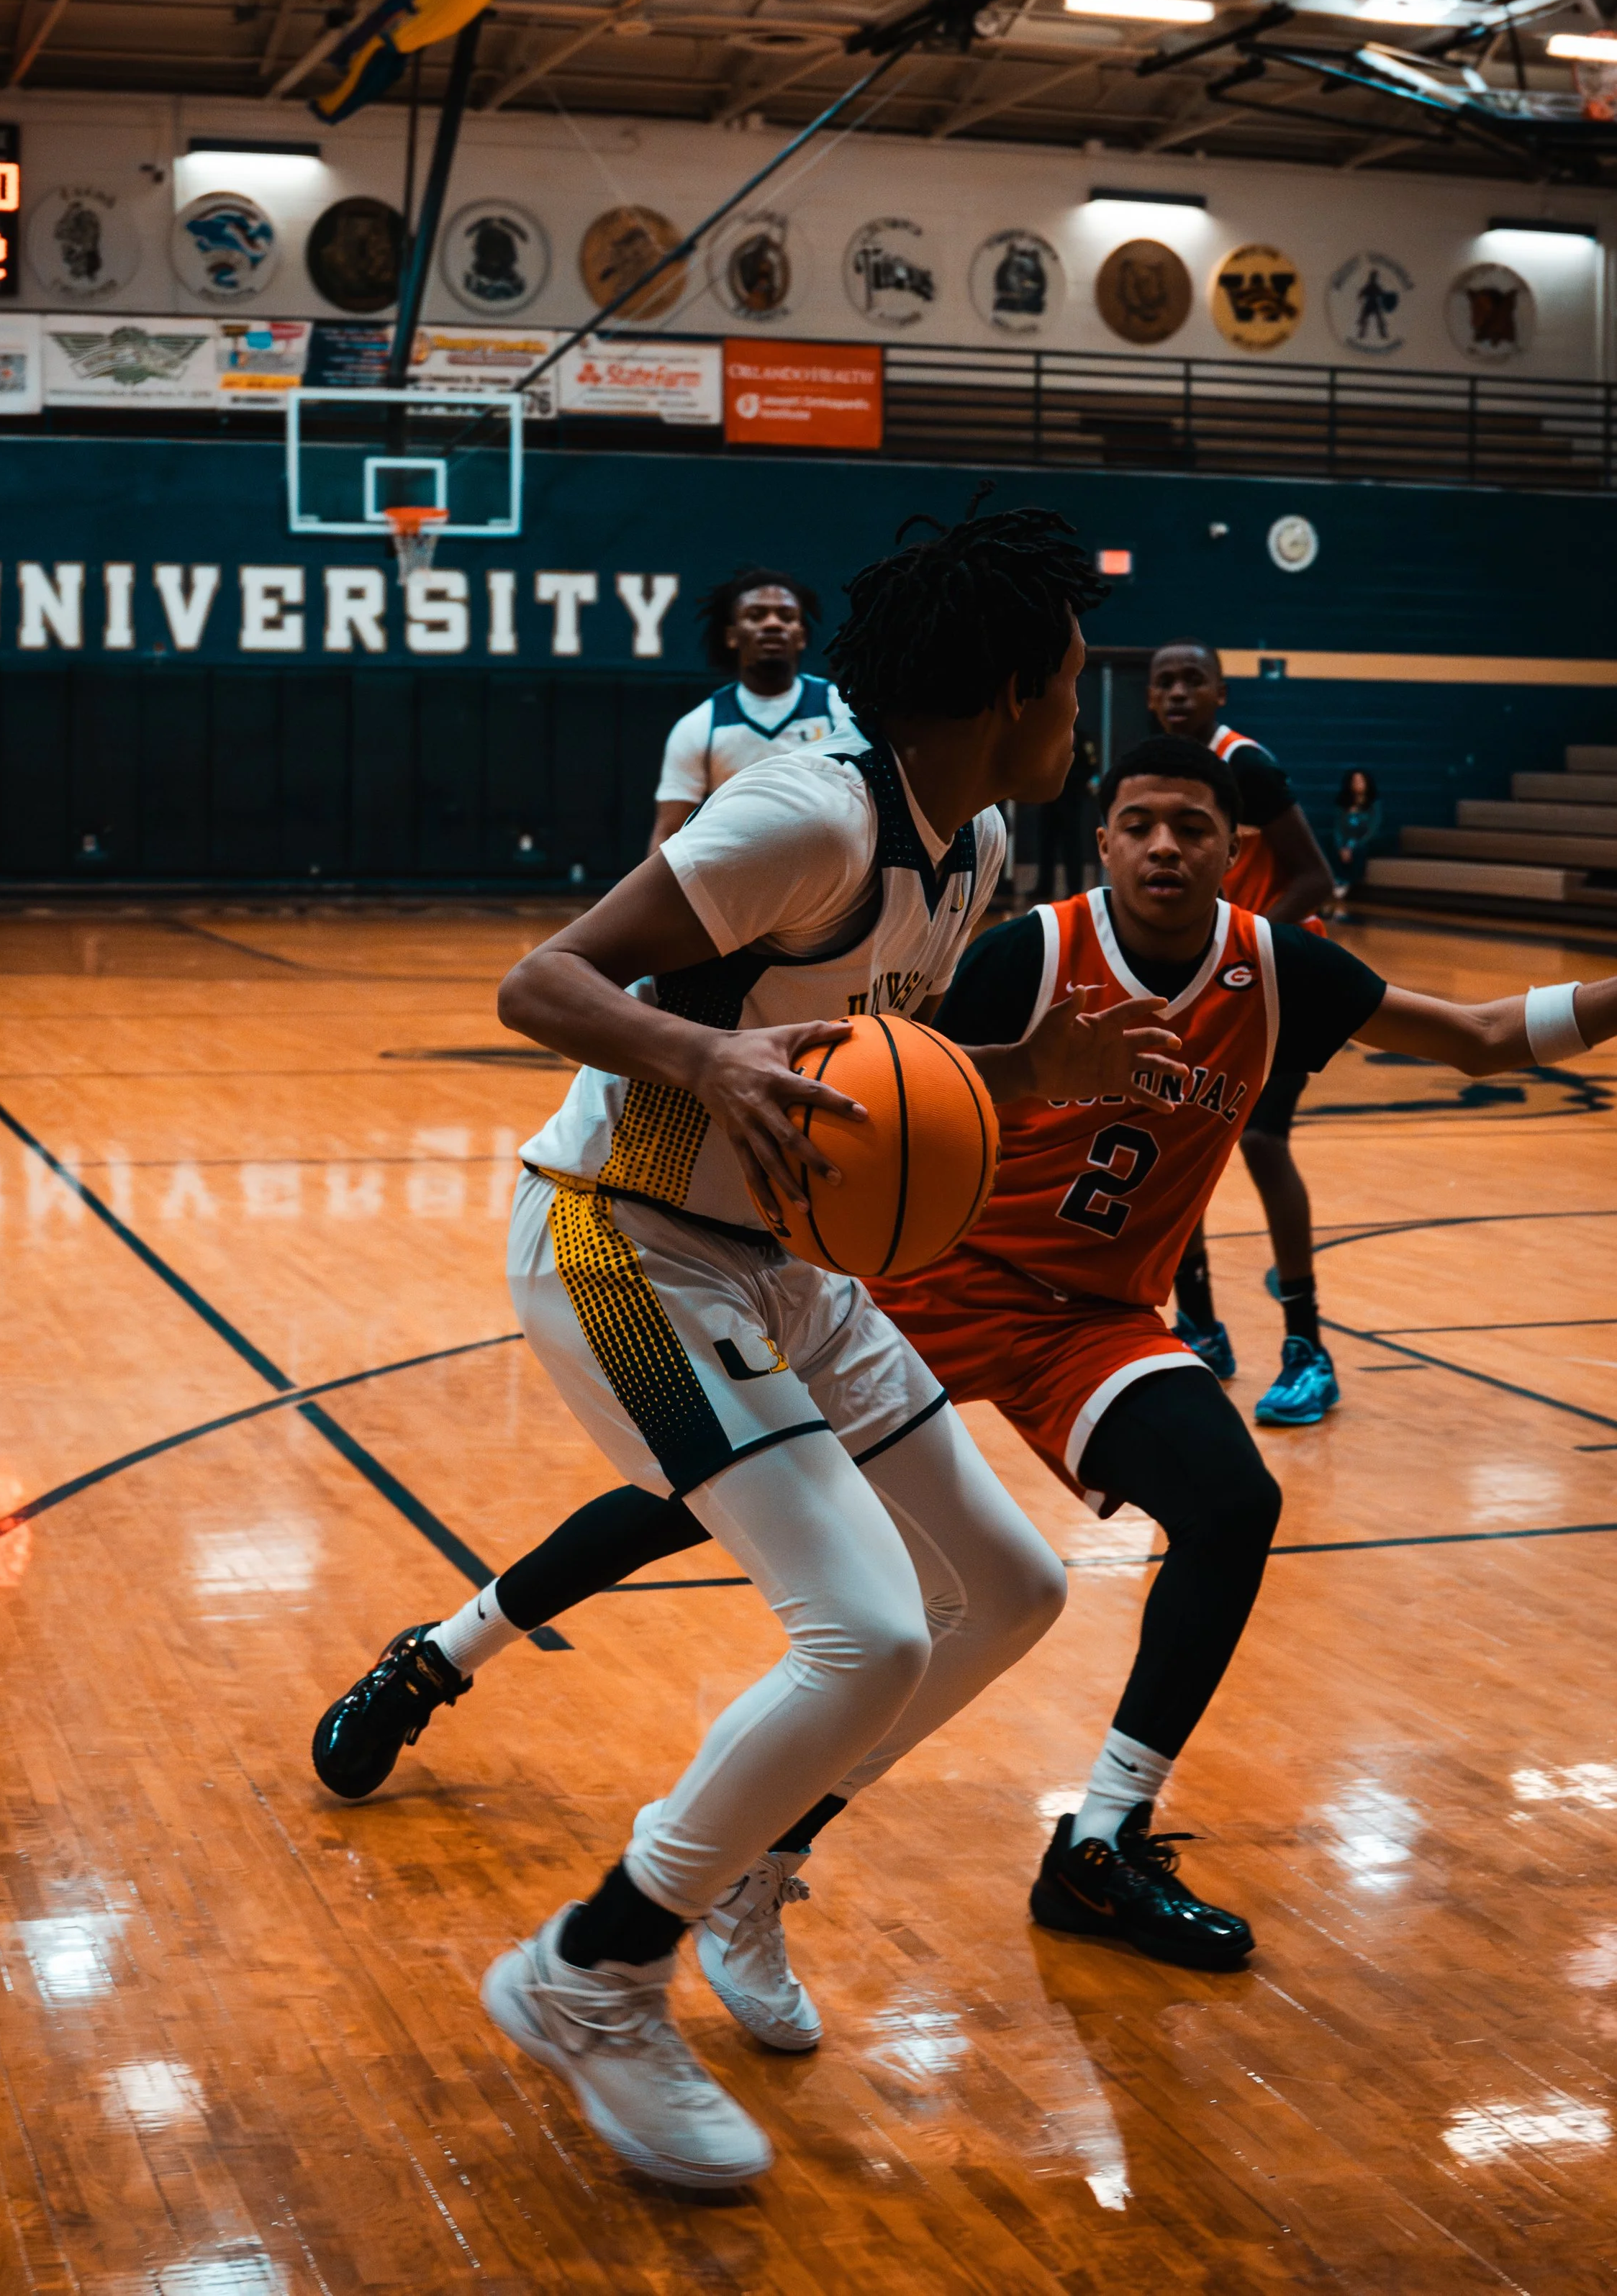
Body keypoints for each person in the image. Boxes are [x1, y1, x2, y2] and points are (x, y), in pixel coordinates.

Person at [313, 735, 1617, 1988]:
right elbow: (887, 1088)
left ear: (1240, 855)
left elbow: (1490, 1036)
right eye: (1142, 826)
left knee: (1228, 1505)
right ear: (1102, 840)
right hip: (925, 1277)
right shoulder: (1025, 951)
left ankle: (1097, 1838)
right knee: (690, 1505)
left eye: (1196, 830)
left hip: (1090, 1320)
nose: (1166, 849)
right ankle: (441, 1656)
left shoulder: (1280, 969)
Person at [318, 509, 1191, 2189]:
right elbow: (541, 980)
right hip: (621, 1236)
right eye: (1072, 678)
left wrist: (1033, 1069)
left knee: (1009, 1588)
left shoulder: (977, 848)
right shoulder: (810, 811)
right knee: (861, 1628)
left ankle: (751, 1858)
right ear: (1012, 685)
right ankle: (593, 1963)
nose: (1079, 709)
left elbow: (874, 1089)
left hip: (784, 1263)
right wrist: (693, 1059)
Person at [1146, 643, 1339, 1429]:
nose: (1179, 690)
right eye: (1165, 680)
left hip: (1281, 970)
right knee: (1176, 1134)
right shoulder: (1151, 771)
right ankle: (1200, 1330)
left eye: (1194, 678)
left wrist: (1243, 947)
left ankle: (1307, 1349)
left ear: (1222, 690)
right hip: (1205, 978)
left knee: (1260, 1141)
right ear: (1150, 697)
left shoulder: (1245, 768)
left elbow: (1313, 879)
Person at [648, 567, 850, 853]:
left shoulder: (840, 710)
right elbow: (668, 832)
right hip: (735, 879)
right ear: (732, 636)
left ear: (801, 636)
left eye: (786, 616)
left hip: (832, 878)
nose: (772, 624)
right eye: (756, 616)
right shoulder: (700, 727)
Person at [1031, 726, 1097, 904]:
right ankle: (1044, 887)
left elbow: (1091, 767)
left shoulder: (1082, 738)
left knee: (1072, 847)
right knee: (1046, 845)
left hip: (1071, 801)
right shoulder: (1050, 736)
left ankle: (1074, 889)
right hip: (1049, 801)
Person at [1331, 768, 1382, 918]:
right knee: (1330, 843)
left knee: (1360, 850)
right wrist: (1342, 847)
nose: (1357, 784)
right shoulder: (1343, 805)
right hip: (1346, 843)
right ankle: (1335, 880)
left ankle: (1347, 882)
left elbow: (1372, 830)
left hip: (1363, 842)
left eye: (1361, 781)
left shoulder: (1374, 805)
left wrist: (1352, 847)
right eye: (1354, 781)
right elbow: (1338, 829)